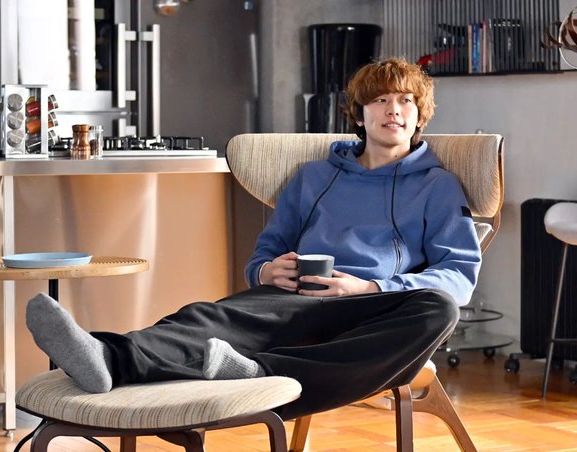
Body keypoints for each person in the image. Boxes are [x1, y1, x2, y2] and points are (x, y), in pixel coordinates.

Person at [26, 57, 480, 421]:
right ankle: (107, 356)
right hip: (295, 301)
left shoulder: (437, 186)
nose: (393, 110)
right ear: (359, 115)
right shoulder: (314, 177)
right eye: (380, 100)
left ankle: (263, 372)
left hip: (372, 311)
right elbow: (266, 250)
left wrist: (370, 286)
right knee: (206, 317)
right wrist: (265, 271)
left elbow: (459, 276)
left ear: (420, 115)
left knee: (439, 308)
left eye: (405, 100)